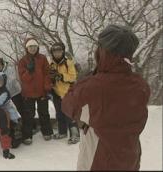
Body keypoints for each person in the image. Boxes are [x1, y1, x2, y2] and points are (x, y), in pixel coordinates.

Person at [61, 24, 150, 170]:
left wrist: (87, 79)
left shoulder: (93, 86)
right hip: (130, 158)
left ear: (103, 51)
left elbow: (68, 105)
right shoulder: (141, 85)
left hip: (99, 160)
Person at [18, 37, 54, 145]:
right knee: (29, 115)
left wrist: (47, 87)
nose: (32, 48)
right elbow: (23, 78)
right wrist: (29, 71)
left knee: (44, 112)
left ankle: (47, 132)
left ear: (37, 47)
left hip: (42, 91)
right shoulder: (23, 61)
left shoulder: (42, 58)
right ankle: (27, 135)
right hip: (28, 93)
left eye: (34, 46)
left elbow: (47, 74)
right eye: (30, 47)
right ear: (27, 48)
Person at [49, 42, 80, 144]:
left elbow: (73, 77)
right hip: (56, 93)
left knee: (70, 114)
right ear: (52, 53)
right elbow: (49, 77)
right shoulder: (51, 64)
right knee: (59, 114)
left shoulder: (68, 63)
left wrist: (61, 76)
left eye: (59, 51)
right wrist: (51, 80)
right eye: (55, 51)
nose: (57, 53)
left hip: (68, 92)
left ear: (62, 51)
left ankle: (75, 134)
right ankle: (62, 132)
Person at [0, 72, 22, 148]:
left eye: (0, 81)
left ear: (4, 81)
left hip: (6, 109)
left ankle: (16, 135)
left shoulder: (5, 92)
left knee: (12, 121)